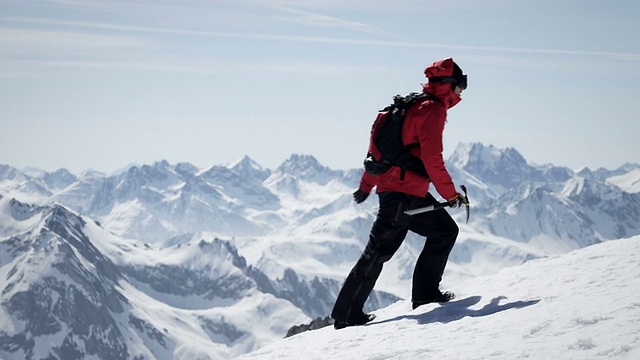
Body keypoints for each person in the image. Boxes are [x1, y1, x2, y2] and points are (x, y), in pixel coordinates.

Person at [331, 57, 469, 330]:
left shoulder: (407, 107)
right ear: (450, 85)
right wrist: (450, 194)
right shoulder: (432, 110)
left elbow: (377, 153)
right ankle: (346, 316)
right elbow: (432, 158)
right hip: (403, 194)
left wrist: (366, 185)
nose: (461, 94)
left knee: (443, 232)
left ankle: (425, 295)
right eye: (461, 88)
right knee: (377, 253)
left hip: (402, 190)